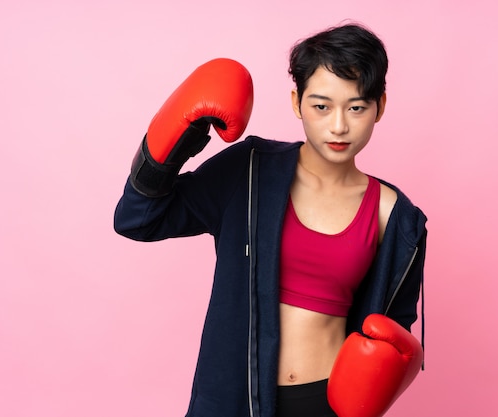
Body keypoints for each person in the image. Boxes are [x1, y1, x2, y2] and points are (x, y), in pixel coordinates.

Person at [114, 22, 427, 417]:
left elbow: (394, 334)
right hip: (232, 399)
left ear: (380, 106)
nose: (338, 125)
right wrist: (180, 139)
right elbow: (137, 220)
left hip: (327, 404)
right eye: (321, 106)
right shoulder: (250, 170)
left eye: (357, 107)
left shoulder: (397, 216)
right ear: (296, 102)